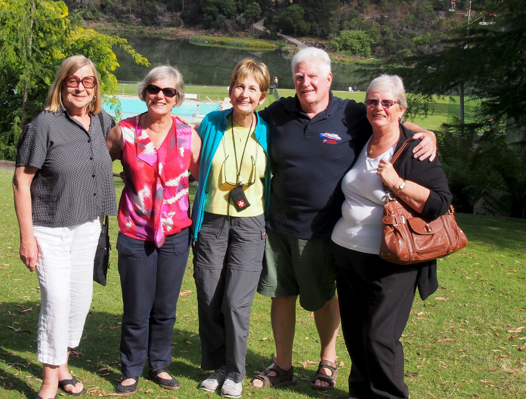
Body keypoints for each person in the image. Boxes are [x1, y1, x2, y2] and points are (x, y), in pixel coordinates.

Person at [251, 48, 437, 391]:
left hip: (324, 231)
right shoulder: (278, 112)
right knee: (281, 296)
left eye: (312, 77)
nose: (305, 83)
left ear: (329, 79)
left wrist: (426, 133)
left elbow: (389, 116)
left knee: (323, 299)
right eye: (299, 77)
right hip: (278, 226)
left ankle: (327, 361)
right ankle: (282, 363)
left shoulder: (350, 113)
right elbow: (245, 117)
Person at [331, 74, 451, 398]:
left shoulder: (414, 150)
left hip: (392, 259)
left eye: (387, 102)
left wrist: (397, 182)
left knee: (379, 335)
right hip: (348, 254)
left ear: (401, 108)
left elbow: (440, 202)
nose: (378, 107)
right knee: (355, 334)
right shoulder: (361, 138)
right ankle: (360, 392)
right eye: (373, 101)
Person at [13, 55, 117, 399]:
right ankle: (48, 379)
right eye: (73, 80)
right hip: (49, 228)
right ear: (61, 84)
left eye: (88, 82)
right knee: (56, 300)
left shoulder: (103, 122)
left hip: (88, 226)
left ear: (95, 88)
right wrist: (27, 237)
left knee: (79, 300)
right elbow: (21, 181)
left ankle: (63, 365)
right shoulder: (44, 124)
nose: (80, 88)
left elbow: (116, 157)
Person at [105, 66, 201, 395]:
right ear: (144, 92)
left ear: (177, 98)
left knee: (165, 307)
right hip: (135, 232)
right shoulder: (124, 132)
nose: (160, 96)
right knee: (136, 306)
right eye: (153, 89)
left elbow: (202, 182)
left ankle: (159, 364)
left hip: (175, 234)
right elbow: (101, 167)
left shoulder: (189, 137)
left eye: (168, 92)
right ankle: (131, 368)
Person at [191, 59, 271, 398]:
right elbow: (187, 157)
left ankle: (236, 371)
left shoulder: (269, 130)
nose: (245, 93)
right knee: (210, 295)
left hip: (251, 224)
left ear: (262, 96)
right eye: (240, 85)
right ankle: (217, 365)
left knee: (237, 301)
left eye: (252, 88)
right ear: (230, 89)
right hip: (211, 221)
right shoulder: (211, 123)